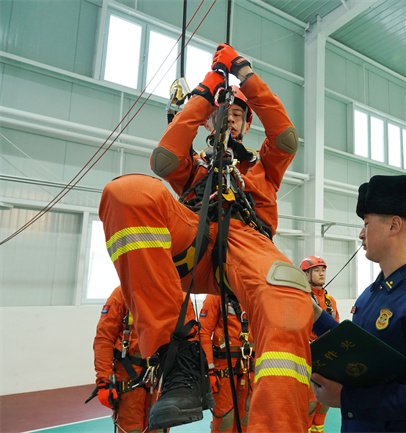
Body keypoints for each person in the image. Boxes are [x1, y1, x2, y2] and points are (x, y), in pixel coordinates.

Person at [99, 43, 313, 432]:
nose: (229, 118)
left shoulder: (262, 167)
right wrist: (206, 90)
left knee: (287, 295)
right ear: (208, 124)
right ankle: (178, 355)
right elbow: (164, 159)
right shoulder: (194, 169)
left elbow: (285, 138)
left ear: (247, 123)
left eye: (237, 114)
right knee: (126, 192)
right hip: (194, 242)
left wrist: (244, 73)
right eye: (221, 114)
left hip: (248, 244)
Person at [310, 175, 406, 432]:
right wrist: (315, 315)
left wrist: (348, 399)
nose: (361, 233)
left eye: (366, 223)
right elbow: (360, 349)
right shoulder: (371, 294)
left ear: (393, 225)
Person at [92, 286, 162, 433]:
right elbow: (104, 338)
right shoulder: (122, 293)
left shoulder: (173, 293)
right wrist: (104, 381)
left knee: (160, 428)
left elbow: (188, 337)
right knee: (131, 429)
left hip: (160, 377)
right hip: (129, 376)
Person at [198, 293, 254, 432]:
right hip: (224, 367)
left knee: (247, 416)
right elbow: (203, 332)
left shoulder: (253, 292)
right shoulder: (216, 294)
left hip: (250, 365)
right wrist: (209, 369)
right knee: (225, 418)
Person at [300, 255, 339, 433]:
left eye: (323, 270)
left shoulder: (330, 301)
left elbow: (337, 328)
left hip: (328, 358)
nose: (322, 273)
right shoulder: (301, 298)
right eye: (316, 270)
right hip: (307, 358)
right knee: (309, 404)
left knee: (324, 405)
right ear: (306, 275)